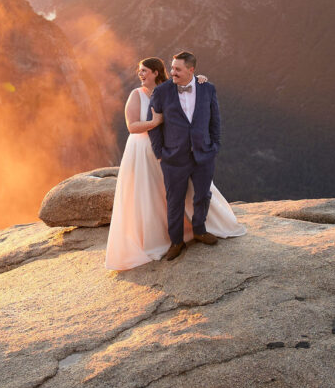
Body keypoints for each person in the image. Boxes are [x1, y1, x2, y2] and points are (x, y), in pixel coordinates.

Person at [104, 57, 244, 270]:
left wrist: (200, 80)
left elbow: (208, 114)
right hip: (148, 152)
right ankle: (169, 240)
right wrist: (158, 138)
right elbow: (133, 126)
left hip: (182, 152)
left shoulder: (174, 88)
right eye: (140, 71)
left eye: (144, 71)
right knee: (158, 196)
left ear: (156, 73)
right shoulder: (140, 94)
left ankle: (198, 229)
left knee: (192, 193)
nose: (140, 74)